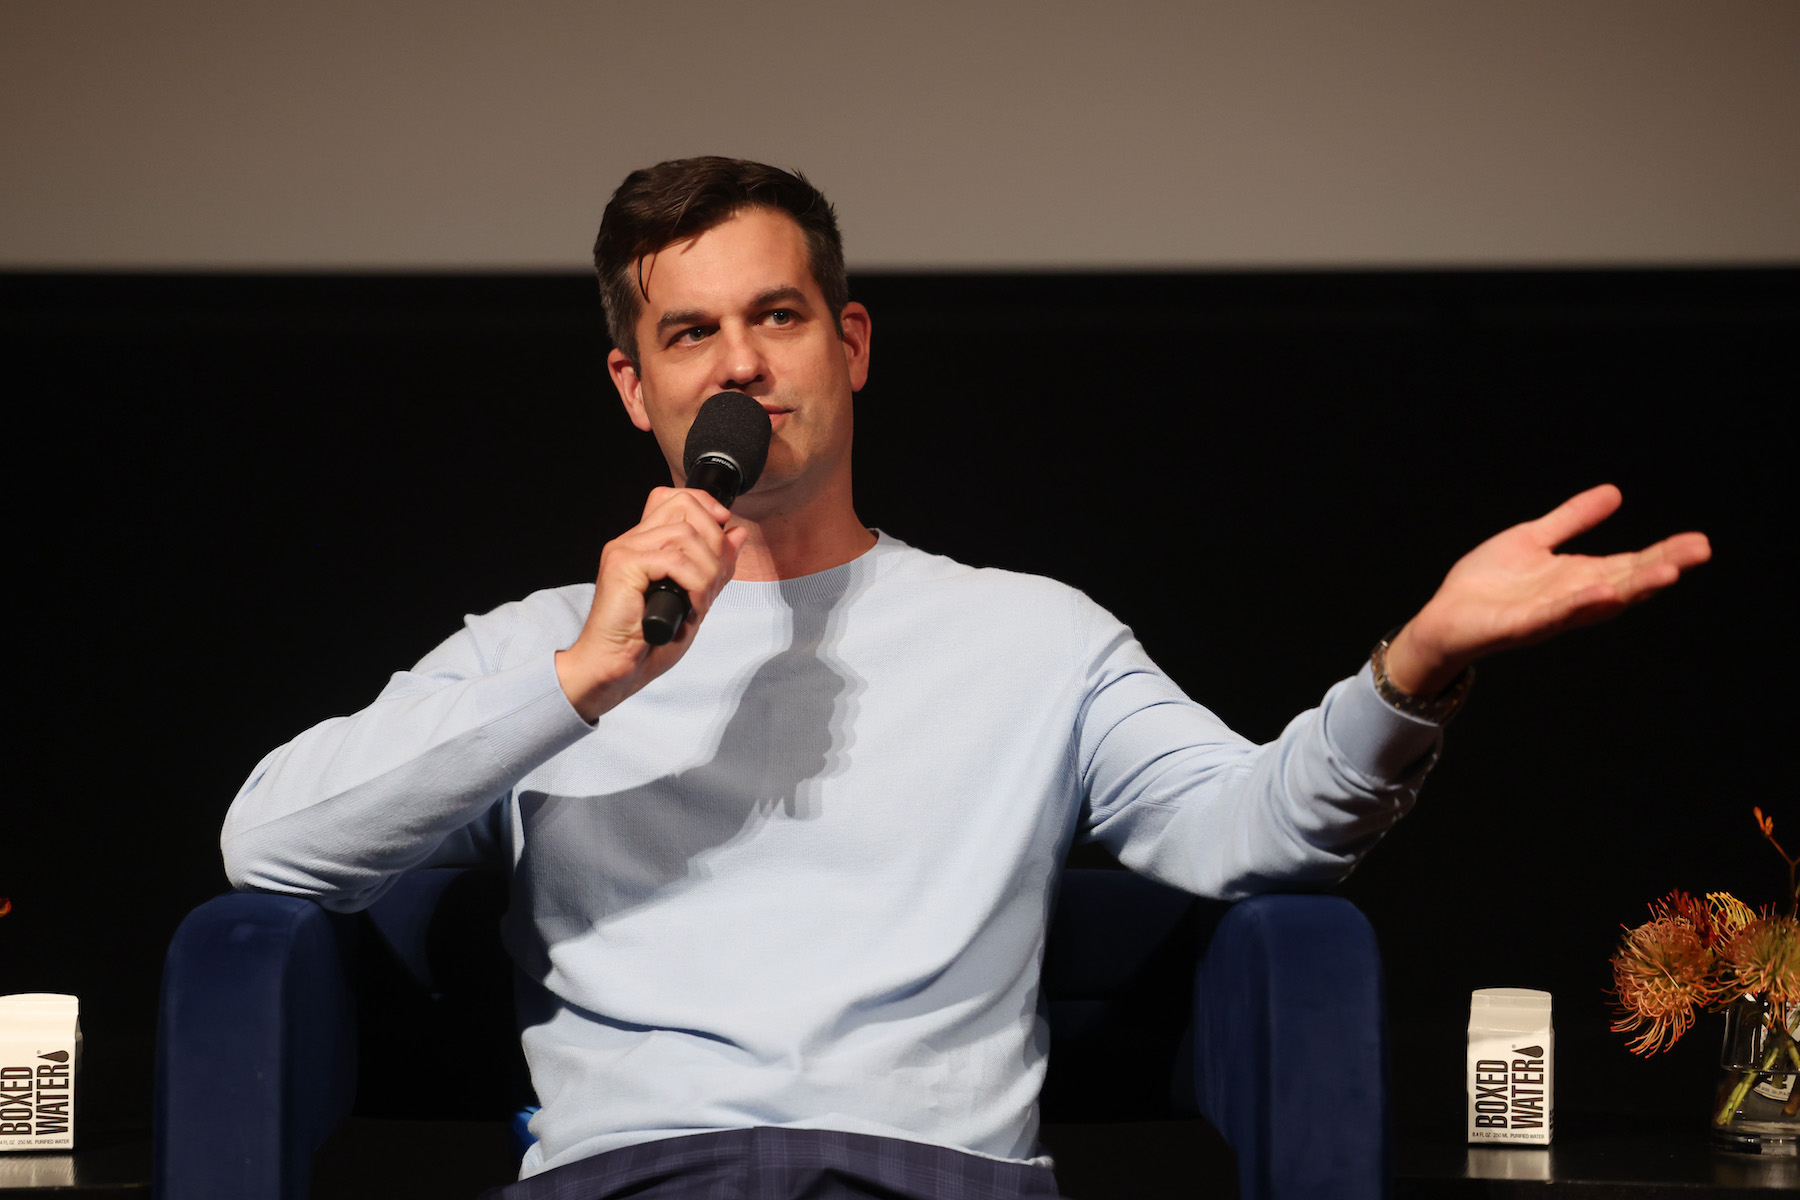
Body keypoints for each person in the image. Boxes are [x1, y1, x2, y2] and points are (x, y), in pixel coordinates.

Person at [221, 157, 1711, 1199]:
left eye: (777, 316)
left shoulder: (1032, 637)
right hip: (632, 1183)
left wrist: (1418, 664)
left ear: (849, 343)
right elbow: (268, 843)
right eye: (689, 333)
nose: (739, 366)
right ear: (636, 387)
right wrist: (586, 677)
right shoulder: (543, 647)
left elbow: (1255, 831)